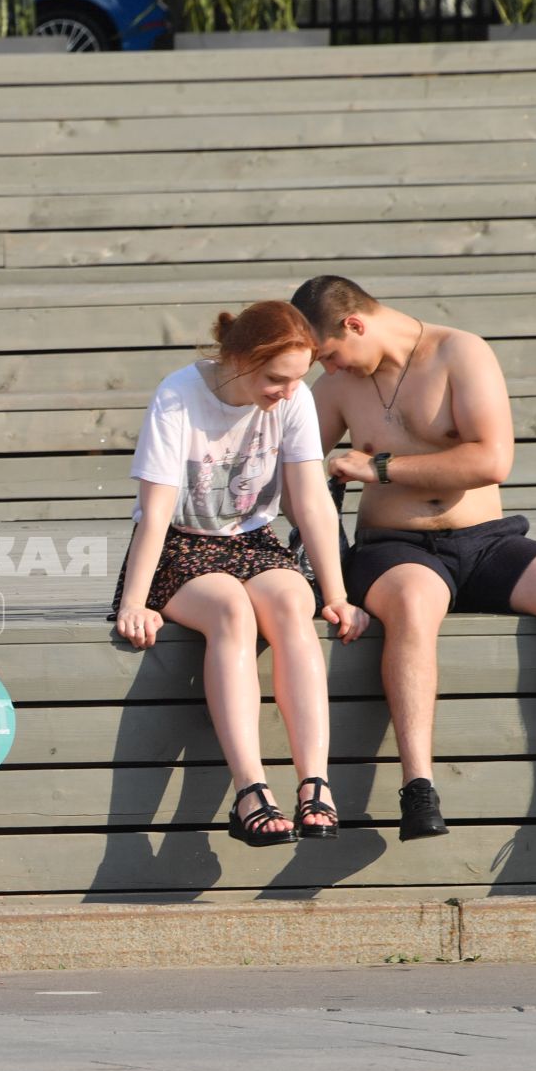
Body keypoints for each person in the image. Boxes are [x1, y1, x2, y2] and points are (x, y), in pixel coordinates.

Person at [292, 275, 536, 838]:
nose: (329, 369)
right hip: (395, 548)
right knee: (414, 603)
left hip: (485, 538)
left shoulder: (459, 353)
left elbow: (491, 462)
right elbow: (295, 467)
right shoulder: (336, 388)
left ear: (355, 325)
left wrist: (378, 468)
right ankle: (418, 786)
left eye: (330, 355)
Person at [112, 301, 368, 847]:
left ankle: (313, 783)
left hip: (251, 541)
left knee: (292, 601)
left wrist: (338, 594)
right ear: (242, 360)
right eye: (277, 378)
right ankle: (250, 788)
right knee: (231, 608)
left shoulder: (292, 400)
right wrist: (134, 601)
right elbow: (156, 511)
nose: (289, 391)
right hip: (178, 548)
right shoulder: (179, 395)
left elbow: (311, 502)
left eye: (299, 378)